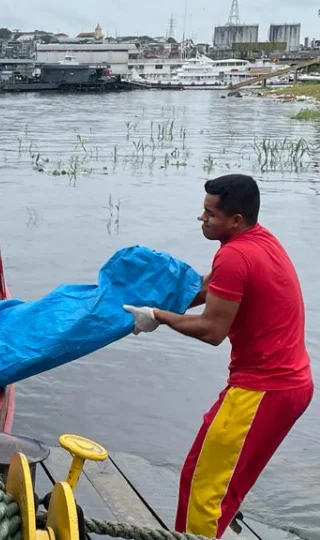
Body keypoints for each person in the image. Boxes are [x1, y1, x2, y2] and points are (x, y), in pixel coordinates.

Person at [124, 174, 313, 539]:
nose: (202, 218)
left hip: (263, 390)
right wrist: (153, 303)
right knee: (201, 475)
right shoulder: (259, 240)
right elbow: (210, 289)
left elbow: (212, 331)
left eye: (211, 213)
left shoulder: (235, 255)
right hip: (286, 385)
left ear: (236, 220)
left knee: (206, 493)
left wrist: (159, 318)